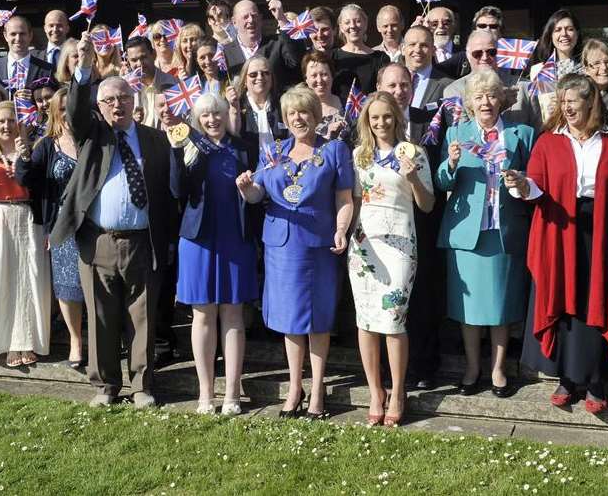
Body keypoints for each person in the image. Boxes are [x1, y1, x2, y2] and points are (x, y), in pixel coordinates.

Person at [50, 33, 176, 408]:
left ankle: (142, 385)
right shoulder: (92, 136)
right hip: (99, 241)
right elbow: (74, 109)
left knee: (143, 318)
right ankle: (106, 385)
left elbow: (167, 191)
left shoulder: (155, 139)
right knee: (101, 318)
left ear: (134, 100)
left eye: (123, 98)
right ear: (99, 107)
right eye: (108, 100)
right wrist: (84, 67)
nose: (117, 105)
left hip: (142, 241)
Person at [509, 74, 608, 413]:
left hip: (603, 232)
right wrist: (522, 185)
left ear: (590, 102)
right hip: (559, 232)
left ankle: (596, 380)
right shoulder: (548, 141)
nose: (567, 107)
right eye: (563, 100)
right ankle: (567, 379)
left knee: (594, 302)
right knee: (565, 303)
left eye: (573, 100)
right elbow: (536, 187)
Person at [235, 86, 354, 419]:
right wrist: (247, 190)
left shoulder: (335, 151)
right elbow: (259, 194)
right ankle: (293, 388)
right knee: (290, 320)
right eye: (291, 114)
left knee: (318, 320)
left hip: (318, 244)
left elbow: (345, 199)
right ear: (284, 119)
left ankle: (317, 391)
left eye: (304, 112)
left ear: (316, 115)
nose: (298, 118)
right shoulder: (273, 151)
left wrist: (341, 229)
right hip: (281, 247)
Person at [436, 71, 534, 397]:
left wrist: (519, 181)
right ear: (469, 103)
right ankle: (472, 367)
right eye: (478, 97)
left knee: (500, 305)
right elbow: (441, 182)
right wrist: (450, 164)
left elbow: (535, 183)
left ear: (502, 100)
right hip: (467, 235)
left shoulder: (521, 135)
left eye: (491, 95)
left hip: (504, 232)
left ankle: (498, 369)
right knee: (470, 310)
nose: (485, 102)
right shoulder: (457, 133)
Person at [349, 91, 434, 426]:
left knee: (393, 318)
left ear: (397, 118)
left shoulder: (414, 154)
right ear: (367, 122)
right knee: (366, 319)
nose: (381, 123)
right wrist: (345, 232)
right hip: (364, 246)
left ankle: (398, 391)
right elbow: (354, 201)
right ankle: (375, 391)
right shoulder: (359, 156)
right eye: (375, 118)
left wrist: (412, 177)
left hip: (399, 244)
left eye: (387, 117)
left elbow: (427, 205)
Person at [173, 93, 259, 416]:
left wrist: (250, 190)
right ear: (198, 119)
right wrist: (177, 153)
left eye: (217, 113)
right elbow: (176, 190)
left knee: (233, 314)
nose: (212, 120)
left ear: (227, 115)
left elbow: (258, 190)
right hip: (198, 240)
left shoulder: (243, 146)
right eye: (206, 115)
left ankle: (232, 394)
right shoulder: (189, 147)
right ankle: (205, 394)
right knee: (203, 314)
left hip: (235, 238)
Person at [376, 63, 447, 389]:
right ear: (380, 86)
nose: (399, 91)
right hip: (384, 225)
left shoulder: (427, 122)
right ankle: (386, 369)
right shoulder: (371, 125)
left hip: (422, 219)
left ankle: (424, 365)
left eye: (405, 84)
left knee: (421, 295)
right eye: (392, 85)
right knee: (387, 295)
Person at [0, 101, 51, 366]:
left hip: (26, 217)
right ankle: (1, 341)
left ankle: (25, 341)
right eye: (2, 121)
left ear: (20, 123)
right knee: (0, 279)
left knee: (28, 279)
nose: (7, 126)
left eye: (12, 121)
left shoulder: (32, 151)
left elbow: (39, 187)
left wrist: (25, 161)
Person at [16, 88, 85, 367]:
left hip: (95, 223)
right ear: (55, 112)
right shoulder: (47, 144)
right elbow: (27, 179)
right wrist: (22, 158)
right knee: (68, 286)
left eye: (74, 107)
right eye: (64, 108)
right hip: (62, 225)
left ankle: (99, 337)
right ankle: (76, 341)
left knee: (97, 284)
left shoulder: (94, 139)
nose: (69, 113)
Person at [443, 29, 540, 129]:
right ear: (468, 56)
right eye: (477, 53)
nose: (485, 57)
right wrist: (499, 107)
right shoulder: (454, 91)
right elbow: (460, 132)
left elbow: (538, 129)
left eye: (491, 52)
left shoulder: (524, 86)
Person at [221, 0, 304, 88]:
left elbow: (297, 60)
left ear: (260, 18)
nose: (251, 20)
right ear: (234, 22)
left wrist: (281, 19)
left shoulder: (277, 43)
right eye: (245, 17)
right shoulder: (225, 53)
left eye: (254, 15)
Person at [228, 56, 287, 170]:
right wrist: (234, 108)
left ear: (272, 78)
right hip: (250, 173)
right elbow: (234, 133)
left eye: (265, 73)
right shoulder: (237, 105)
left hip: (283, 170)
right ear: (245, 81)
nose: (260, 77)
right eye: (253, 75)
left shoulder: (283, 103)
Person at [0, 15, 54, 91]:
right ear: (5, 36)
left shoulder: (47, 70)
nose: (18, 38)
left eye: (22, 34)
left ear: (30, 35)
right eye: (13, 34)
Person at [332, 4, 390, 96]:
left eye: (358, 21)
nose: (353, 26)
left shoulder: (380, 59)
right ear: (341, 27)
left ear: (365, 24)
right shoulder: (332, 57)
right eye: (347, 22)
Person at [437, 6, 504, 79]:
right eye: (482, 26)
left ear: (500, 31)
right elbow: (436, 70)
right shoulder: (463, 57)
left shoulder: (511, 55)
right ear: (474, 29)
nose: (487, 29)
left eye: (493, 26)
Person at [124, 36, 176, 129]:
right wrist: (129, 121)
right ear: (128, 61)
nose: (140, 64)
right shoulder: (123, 86)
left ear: (154, 54)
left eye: (143, 57)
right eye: (134, 60)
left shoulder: (172, 83)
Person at [403, 26, 452, 112]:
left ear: (433, 50)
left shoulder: (447, 85)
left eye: (424, 45)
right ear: (403, 49)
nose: (417, 50)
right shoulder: (389, 80)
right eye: (412, 44)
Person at [302, 51, 345, 140]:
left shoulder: (348, 105)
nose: (319, 80)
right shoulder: (302, 110)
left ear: (332, 76)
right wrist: (326, 137)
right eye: (314, 75)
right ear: (306, 79)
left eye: (324, 74)